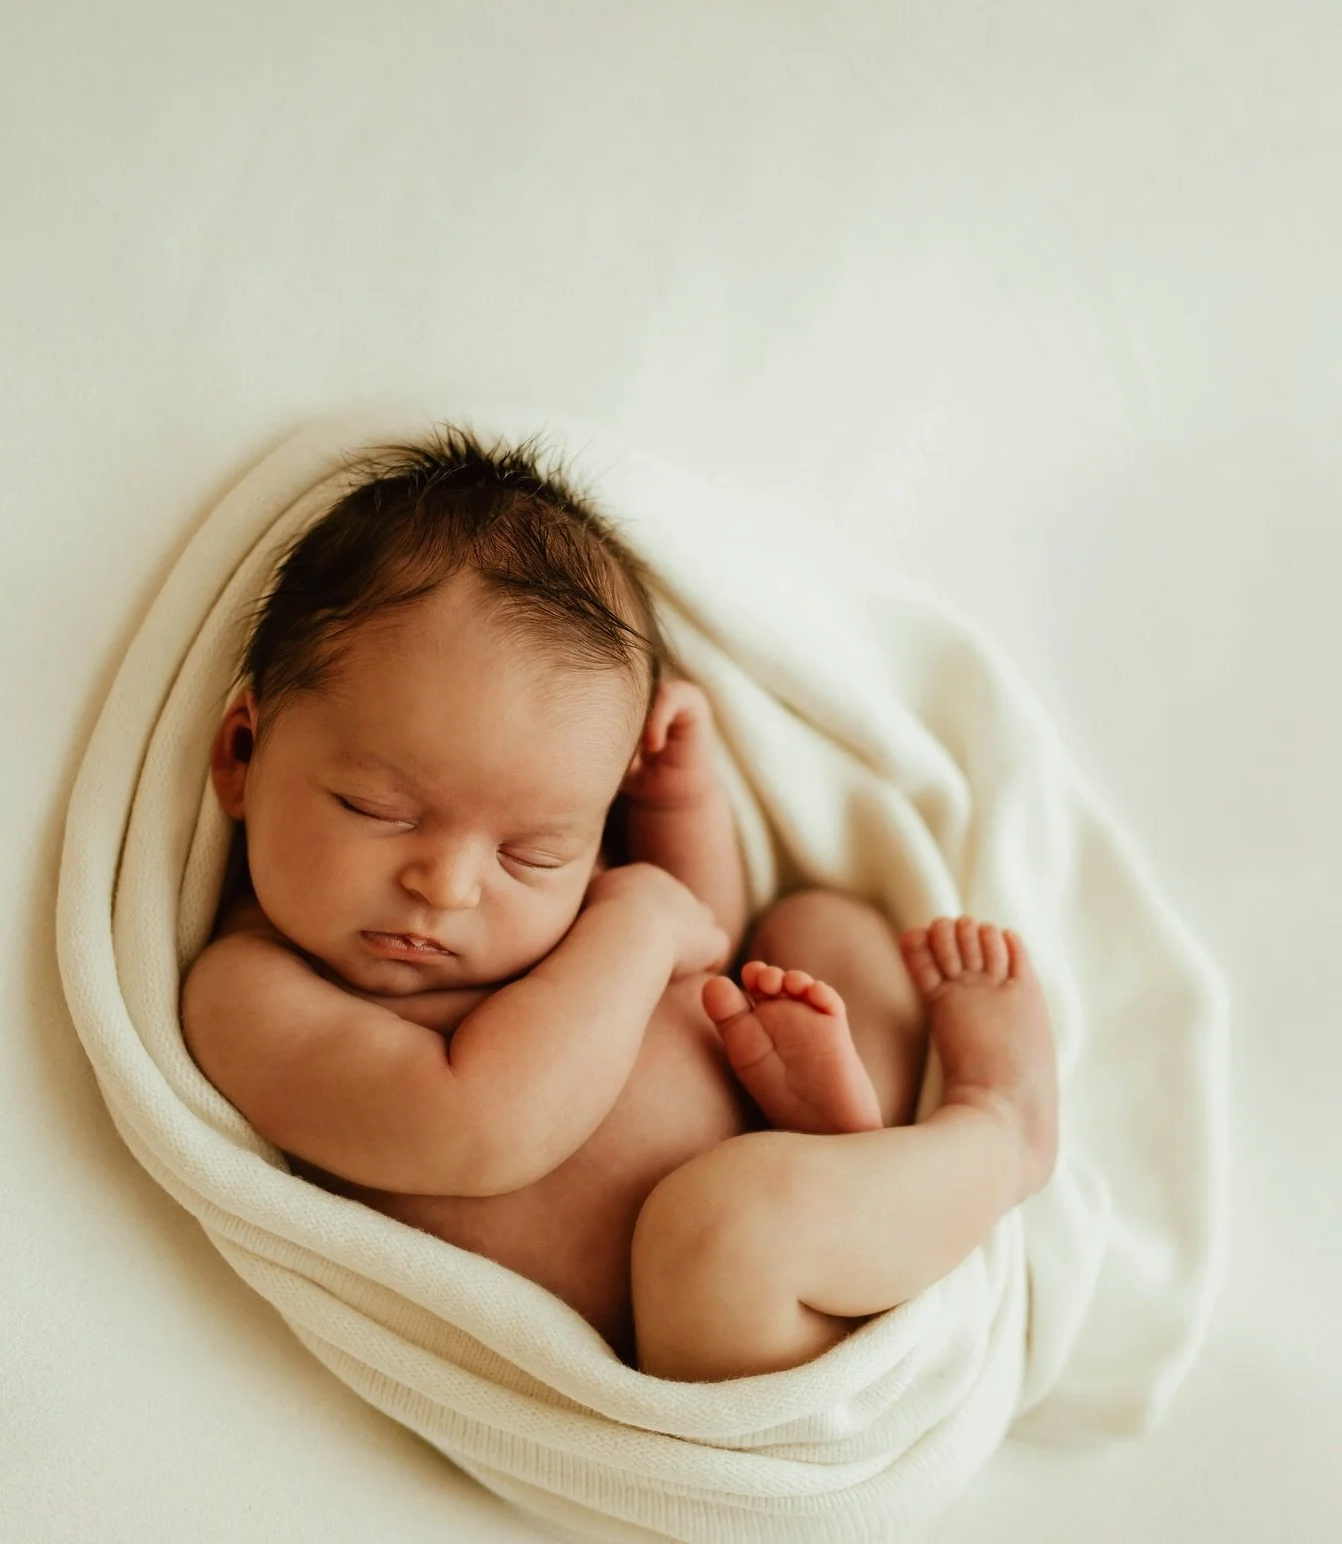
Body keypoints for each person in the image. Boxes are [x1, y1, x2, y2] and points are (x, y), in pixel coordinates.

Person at [180, 426, 1058, 1381]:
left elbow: (703, 944)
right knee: (717, 1228)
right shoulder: (247, 995)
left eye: (533, 850)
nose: (451, 886)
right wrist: (632, 921)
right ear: (241, 755)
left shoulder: (581, 912)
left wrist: (675, 802)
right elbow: (478, 1126)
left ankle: (861, 1146)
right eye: (377, 810)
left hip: (794, 1173)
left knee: (823, 931)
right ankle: (996, 1126)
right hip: (721, 1317)